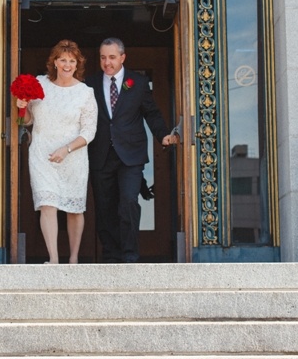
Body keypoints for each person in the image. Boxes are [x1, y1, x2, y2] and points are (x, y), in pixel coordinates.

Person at [87, 37, 177, 263]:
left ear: (123, 57)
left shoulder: (138, 82)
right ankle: (110, 254)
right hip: (100, 155)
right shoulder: (89, 84)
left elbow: (152, 113)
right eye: (103, 58)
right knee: (104, 207)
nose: (107, 62)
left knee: (128, 202)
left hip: (131, 155)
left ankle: (129, 255)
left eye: (112, 57)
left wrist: (163, 135)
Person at [16, 39, 97, 264]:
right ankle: (53, 259)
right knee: (47, 203)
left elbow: (89, 131)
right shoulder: (39, 84)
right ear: (54, 62)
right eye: (63, 60)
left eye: (72, 61)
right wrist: (22, 108)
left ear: (77, 64)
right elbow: (28, 121)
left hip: (73, 156)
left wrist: (67, 149)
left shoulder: (85, 92)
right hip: (42, 152)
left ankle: (73, 258)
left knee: (74, 207)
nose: (67, 65)